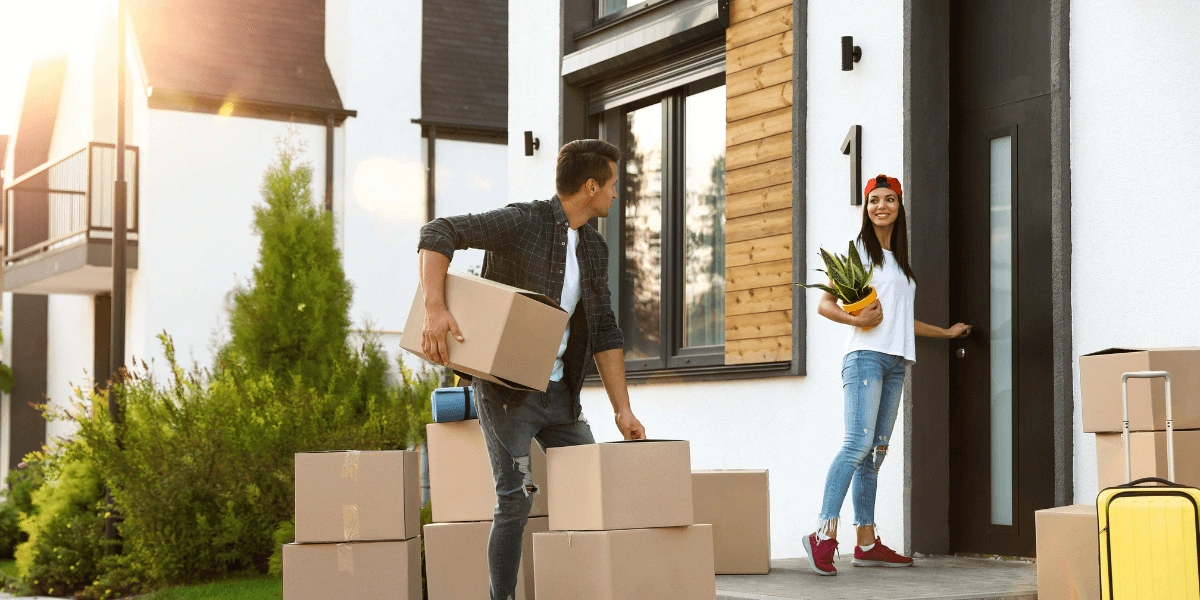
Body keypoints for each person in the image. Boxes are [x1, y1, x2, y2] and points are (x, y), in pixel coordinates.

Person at [417, 139, 646, 600]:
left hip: (561, 394)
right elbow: (438, 231)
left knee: (591, 487)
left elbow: (604, 329)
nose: (616, 194)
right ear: (589, 186)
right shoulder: (523, 222)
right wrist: (435, 309)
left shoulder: (595, 249)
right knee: (515, 499)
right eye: (613, 185)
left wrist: (624, 411)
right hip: (508, 395)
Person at [802, 174, 972, 576]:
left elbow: (900, 320)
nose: (882, 206)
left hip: (897, 361)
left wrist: (945, 333)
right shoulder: (860, 250)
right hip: (865, 358)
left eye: (890, 199)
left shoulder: (899, 259)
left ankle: (867, 542)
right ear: (866, 207)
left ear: (899, 206)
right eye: (874, 200)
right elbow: (826, 304)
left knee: (875, 454)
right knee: (857, 444)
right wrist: (855, 318)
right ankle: (823, 534)